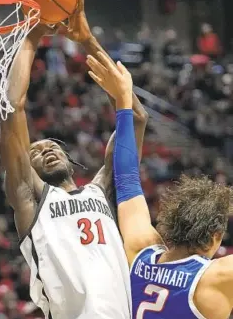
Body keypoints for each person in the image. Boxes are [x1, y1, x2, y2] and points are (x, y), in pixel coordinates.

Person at [0, 0, 148, 319]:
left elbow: (136, 118)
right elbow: (12, 107)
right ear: (27, 169)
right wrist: (34, 33)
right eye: (35, 151)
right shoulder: (30, 197)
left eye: (52, 145)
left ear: (70, 158)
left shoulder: (102, 189)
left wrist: (86, 38)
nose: (47, 148)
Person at [87, 51, 233, 319]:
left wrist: (123, 104)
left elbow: (127, 178)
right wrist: (122, 104)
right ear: (214, 236)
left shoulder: (141, 252)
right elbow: (127, 177)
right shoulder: (215, 277)